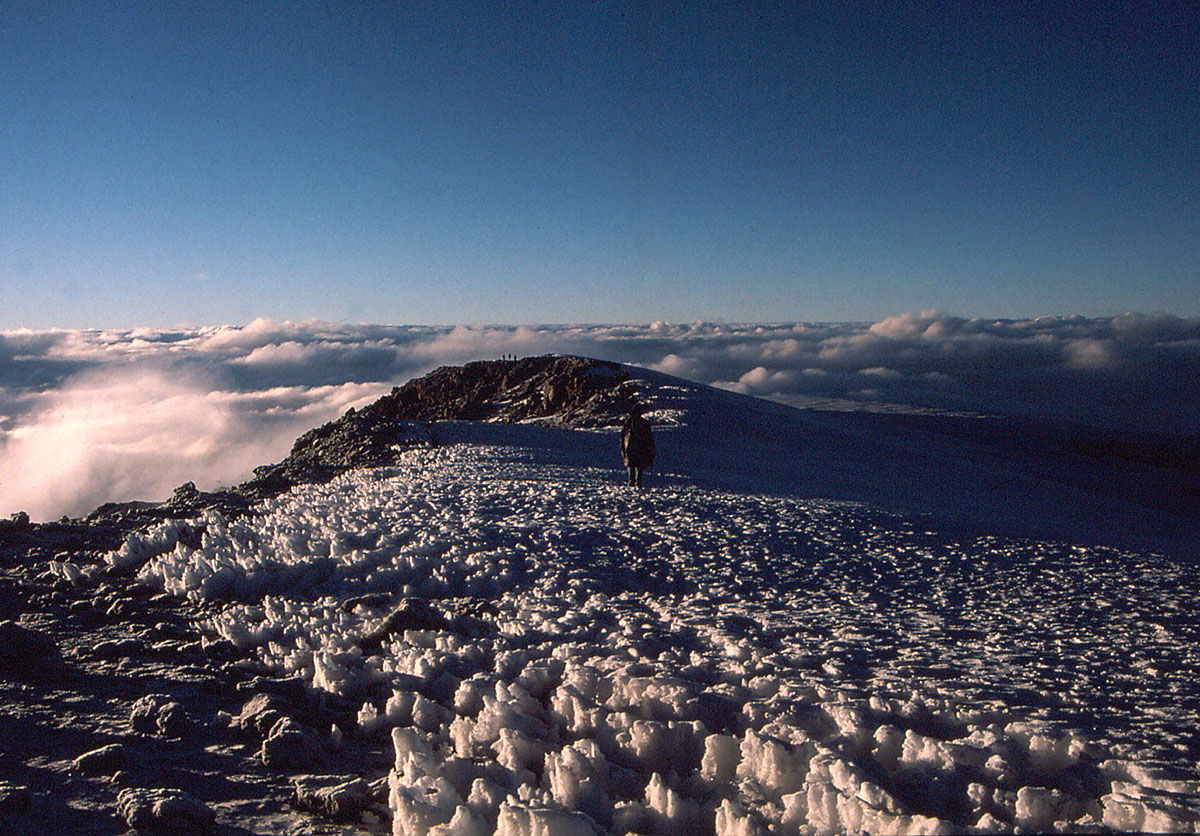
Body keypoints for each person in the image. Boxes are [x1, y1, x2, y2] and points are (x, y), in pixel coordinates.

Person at [620, 404, 655, 488]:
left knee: (632, 466)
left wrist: (623, 449)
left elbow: (623, 436)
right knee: (639, 466)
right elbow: (649, 438)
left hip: (630, 447)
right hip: (640, 448)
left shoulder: (628, 422)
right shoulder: (644, 423)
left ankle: (632, 482)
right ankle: (637, 483)